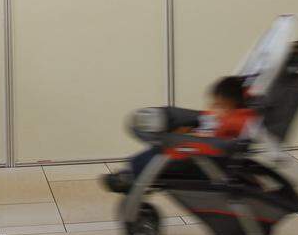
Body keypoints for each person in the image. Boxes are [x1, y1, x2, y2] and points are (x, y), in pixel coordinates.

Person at [104, 76, 256, 192]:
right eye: (213, 104)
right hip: (189, 150)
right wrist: (188, 131)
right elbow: (202, 126)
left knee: (156, 157)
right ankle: (130, 174)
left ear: (232, 108)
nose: (212, 109)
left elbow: (223, 142)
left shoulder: (236, 121)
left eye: (219, 106)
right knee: (154, 151)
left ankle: (131, 176)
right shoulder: (216, 117)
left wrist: (194, 137)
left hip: (203, 161)